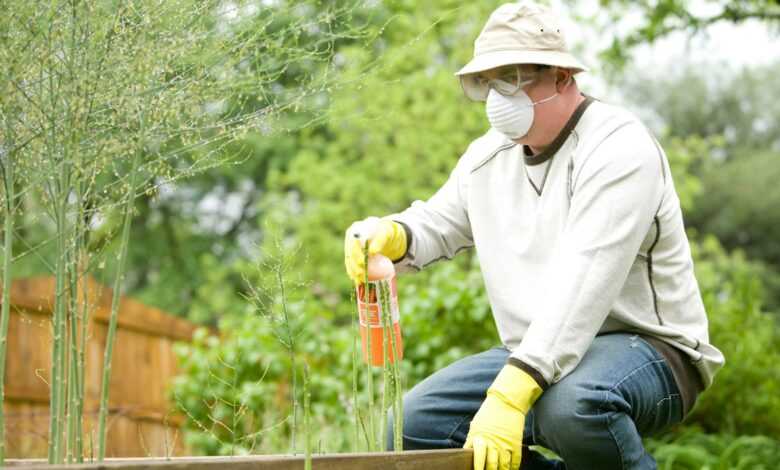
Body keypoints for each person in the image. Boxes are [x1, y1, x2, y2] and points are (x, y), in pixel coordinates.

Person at [343, 2, 724, 469]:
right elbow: (439, 223)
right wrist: (390, 234)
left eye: (514, 77)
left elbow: (585, 285)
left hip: (651, 349)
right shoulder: (487, 158)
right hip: (535, 354)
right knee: (412, 429)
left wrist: (510, 394)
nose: (498, 96)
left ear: (563, 76)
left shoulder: (619, 148)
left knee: (573, 406)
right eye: (488, 81)